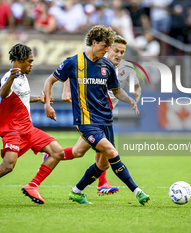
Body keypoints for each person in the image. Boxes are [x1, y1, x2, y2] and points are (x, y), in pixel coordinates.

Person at [43, 25, 150, 205]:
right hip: (86, 121)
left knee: (102, 164)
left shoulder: (107, 65)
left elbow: (116, 91)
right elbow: (51, 79)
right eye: (106, 46)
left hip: (106, 121)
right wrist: (48, 103)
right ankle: (137, 191)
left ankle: (76, 191)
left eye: (113, 48)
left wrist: (130, 100)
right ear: (94, 43)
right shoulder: (74, 62)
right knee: (111, 151)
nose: (108, 50)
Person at [0, 44, 64, 206]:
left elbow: (20, 98)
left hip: (27, 127)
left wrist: (38, 98)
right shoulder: (9, 77)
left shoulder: (23, 76)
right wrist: (10, 78)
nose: (32, 64)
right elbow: (3, 94)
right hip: (13, 129)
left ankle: (33, 185)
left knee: (57, 152)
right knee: (8, 165)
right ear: (19, 60)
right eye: (29, 61)